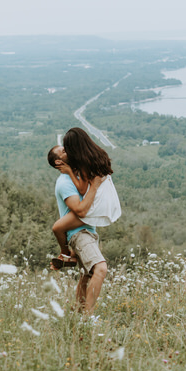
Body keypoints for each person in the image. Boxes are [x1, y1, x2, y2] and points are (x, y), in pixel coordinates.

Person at [47, 126, 120, 315]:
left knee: (86, 275)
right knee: (100, 269)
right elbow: (81, 210)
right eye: (63, 150)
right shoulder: (64, 183)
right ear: (58, 161)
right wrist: (94, 186)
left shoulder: (77, 172)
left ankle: (79, 315)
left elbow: (83, 190)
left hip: (87, 231)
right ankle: (88, 318)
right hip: (78, 234)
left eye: (66, 147)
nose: (67, 150)